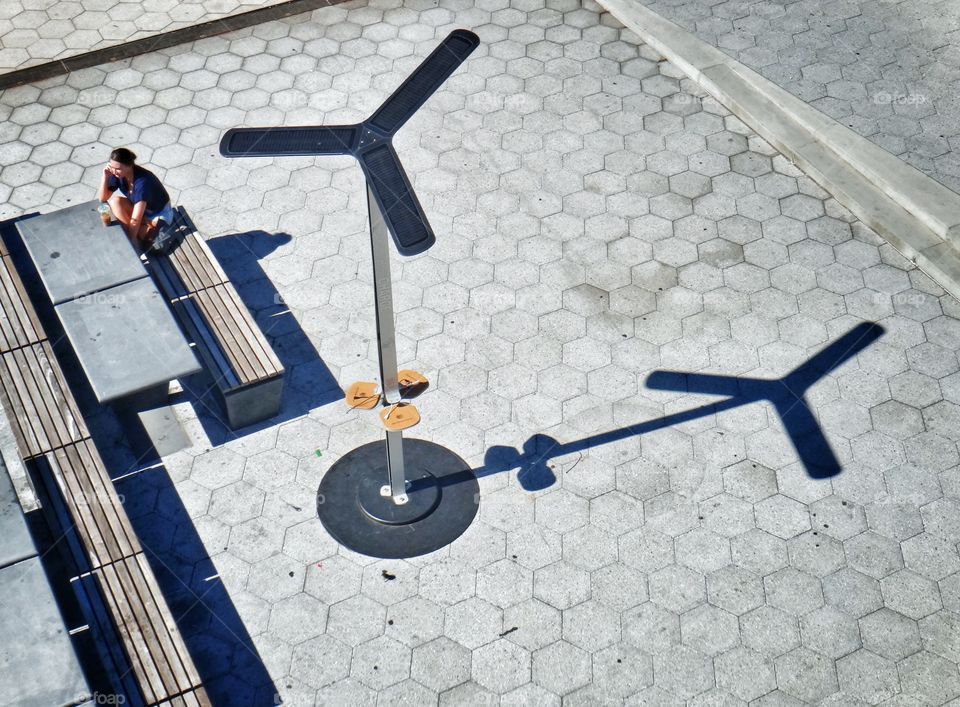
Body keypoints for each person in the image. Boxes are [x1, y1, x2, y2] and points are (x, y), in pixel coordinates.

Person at [96, 147, 175, 251]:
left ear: (129, 166)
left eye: (118, 168)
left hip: (157, 214)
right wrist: (105, 177)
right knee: (115, 202)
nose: (114, 171)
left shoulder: (143, 182)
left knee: (144, 238)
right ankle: (136, 234)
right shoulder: (117, 174)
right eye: (112, 167)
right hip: (143, 212)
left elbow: (136, 218)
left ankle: (136, 237)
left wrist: (133, 240)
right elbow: (102, 198)